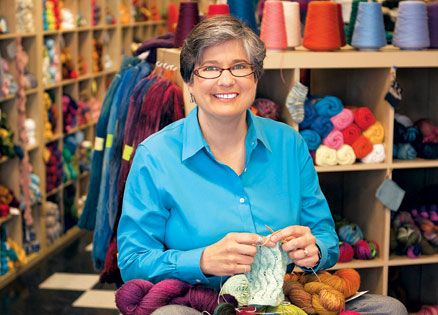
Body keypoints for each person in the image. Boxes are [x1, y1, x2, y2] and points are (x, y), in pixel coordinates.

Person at [117, 15, 407, 315]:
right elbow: (132, 261)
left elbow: (325, 237)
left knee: (389, 309)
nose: (226, 80)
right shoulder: (156, 155)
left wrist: (315, 250)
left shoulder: (289, 144)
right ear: (189, 81)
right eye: (210, 68)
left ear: (255, 77)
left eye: (240, 67)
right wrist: (202, 260)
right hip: (202, 302)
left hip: (283, 297)